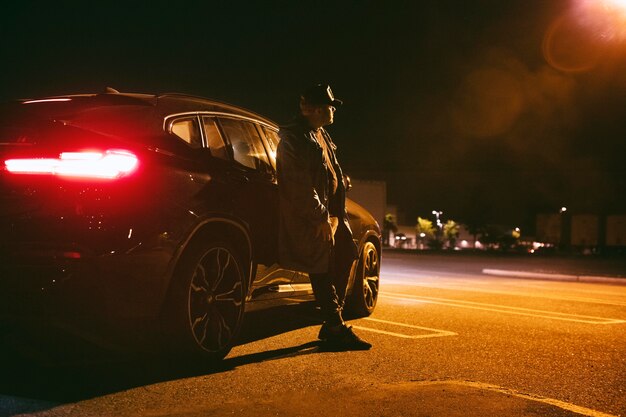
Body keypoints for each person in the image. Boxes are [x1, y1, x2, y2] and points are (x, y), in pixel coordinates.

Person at [276, 84, 371, 350]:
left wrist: (336, 215)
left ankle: (333, 322)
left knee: (346, 254)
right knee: (321, 267)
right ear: (315, 110)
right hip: (313, 217)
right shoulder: (294, 138)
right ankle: (334, 326)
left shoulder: (321, 135)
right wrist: (320, 217)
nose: (333, 111)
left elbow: (330, 174)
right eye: (330, 107)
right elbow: (299, 185)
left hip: (334, 215)